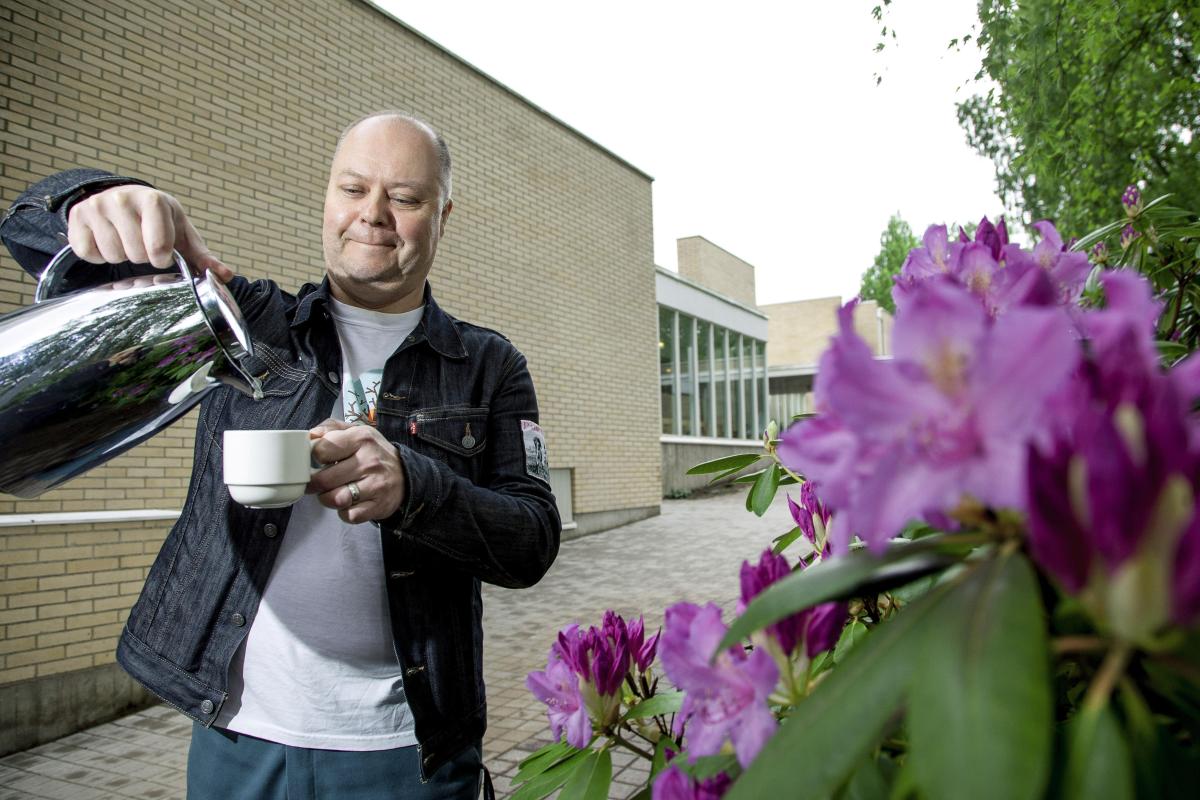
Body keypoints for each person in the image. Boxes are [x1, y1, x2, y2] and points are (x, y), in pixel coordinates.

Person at [0, 112, 562, 799]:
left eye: (406, 199)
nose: (373, 215)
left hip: (409, 750)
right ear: (326, 199)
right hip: (238, 735)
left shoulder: (488, 364)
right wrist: (97, 201)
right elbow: (26, 229)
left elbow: (532, 540)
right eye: (353, 189)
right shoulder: (247, 321)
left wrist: (414, 488)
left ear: (443, 214)